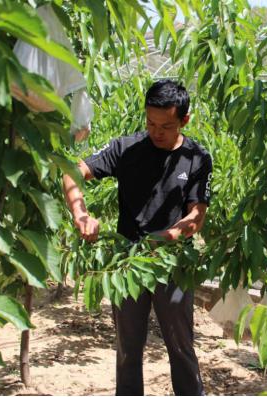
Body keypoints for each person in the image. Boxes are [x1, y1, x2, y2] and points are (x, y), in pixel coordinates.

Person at [62, 79, 212, 396]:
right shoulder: (126, 148)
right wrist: (81, 214)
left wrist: (164, 237)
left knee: (181, 345)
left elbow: (196, 216)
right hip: (127, 266)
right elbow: (72, 171)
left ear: (185, 120)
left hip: (171, 264)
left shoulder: (196, 157)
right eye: (150, 123)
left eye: (166, 126)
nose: (156, 132)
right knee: (128, 347)